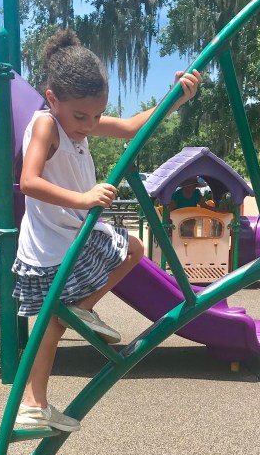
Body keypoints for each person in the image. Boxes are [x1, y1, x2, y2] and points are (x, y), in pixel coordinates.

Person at [13, 28, 201, 433]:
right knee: (131, 248)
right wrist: (84, 199)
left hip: (64, 237)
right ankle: (79, 314)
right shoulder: (47, 125)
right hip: (54, 241)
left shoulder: (76, 122)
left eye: (97, 115)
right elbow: (28, 181)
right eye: (81, 116)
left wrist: (176, 99)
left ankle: (33, 404)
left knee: (53, 325)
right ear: (52, 98)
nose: (89, 124)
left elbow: (133, 126)